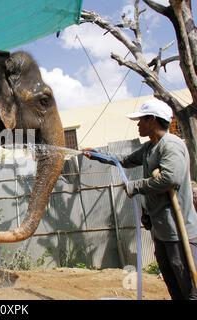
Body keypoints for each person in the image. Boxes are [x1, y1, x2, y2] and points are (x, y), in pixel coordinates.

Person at [83, 98, 197, 300]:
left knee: (189, 289)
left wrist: (135, 186)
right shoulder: (149, 148)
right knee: (174, 286)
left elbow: (170, 178)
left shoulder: (170, 145)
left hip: (179, 234)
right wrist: (98, 155)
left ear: (152, 120)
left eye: (140, 120)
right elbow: (124, 160)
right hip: (162, 232)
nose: (137, 124)